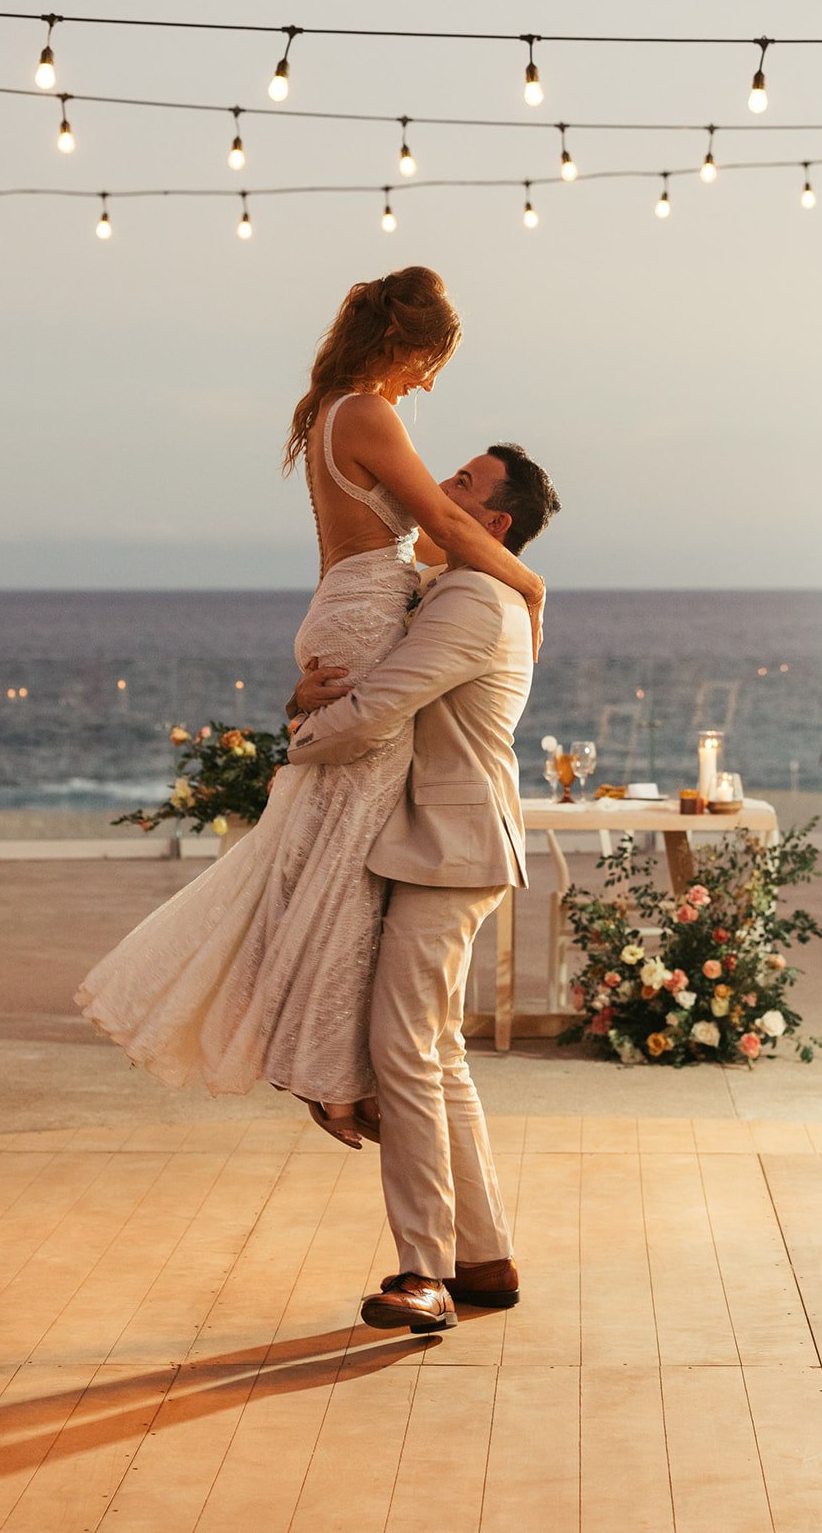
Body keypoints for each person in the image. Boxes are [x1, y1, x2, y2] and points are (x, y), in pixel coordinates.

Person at [74, 267, 546, 1145]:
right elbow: (446, 532)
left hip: (349, 604)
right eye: (431, 361)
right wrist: (533, 587)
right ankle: (324, 1067)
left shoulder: (334, 406)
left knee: (326, 842)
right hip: (365, 611)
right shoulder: (367, 413)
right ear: (405, 344)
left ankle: (317, 1054)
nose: (429, 382)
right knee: (350, 855)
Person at [284, 443, 561, 1334]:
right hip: (448, 845)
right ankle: (483, 1258)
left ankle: (423, 1272)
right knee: (435, 1055)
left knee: (403, 1052)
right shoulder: (465, 594)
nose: (437, 489)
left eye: (462, 486)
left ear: (494, 525)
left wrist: (293, 733)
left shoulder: (475, 601)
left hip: (451, 849)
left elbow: (374, 709)